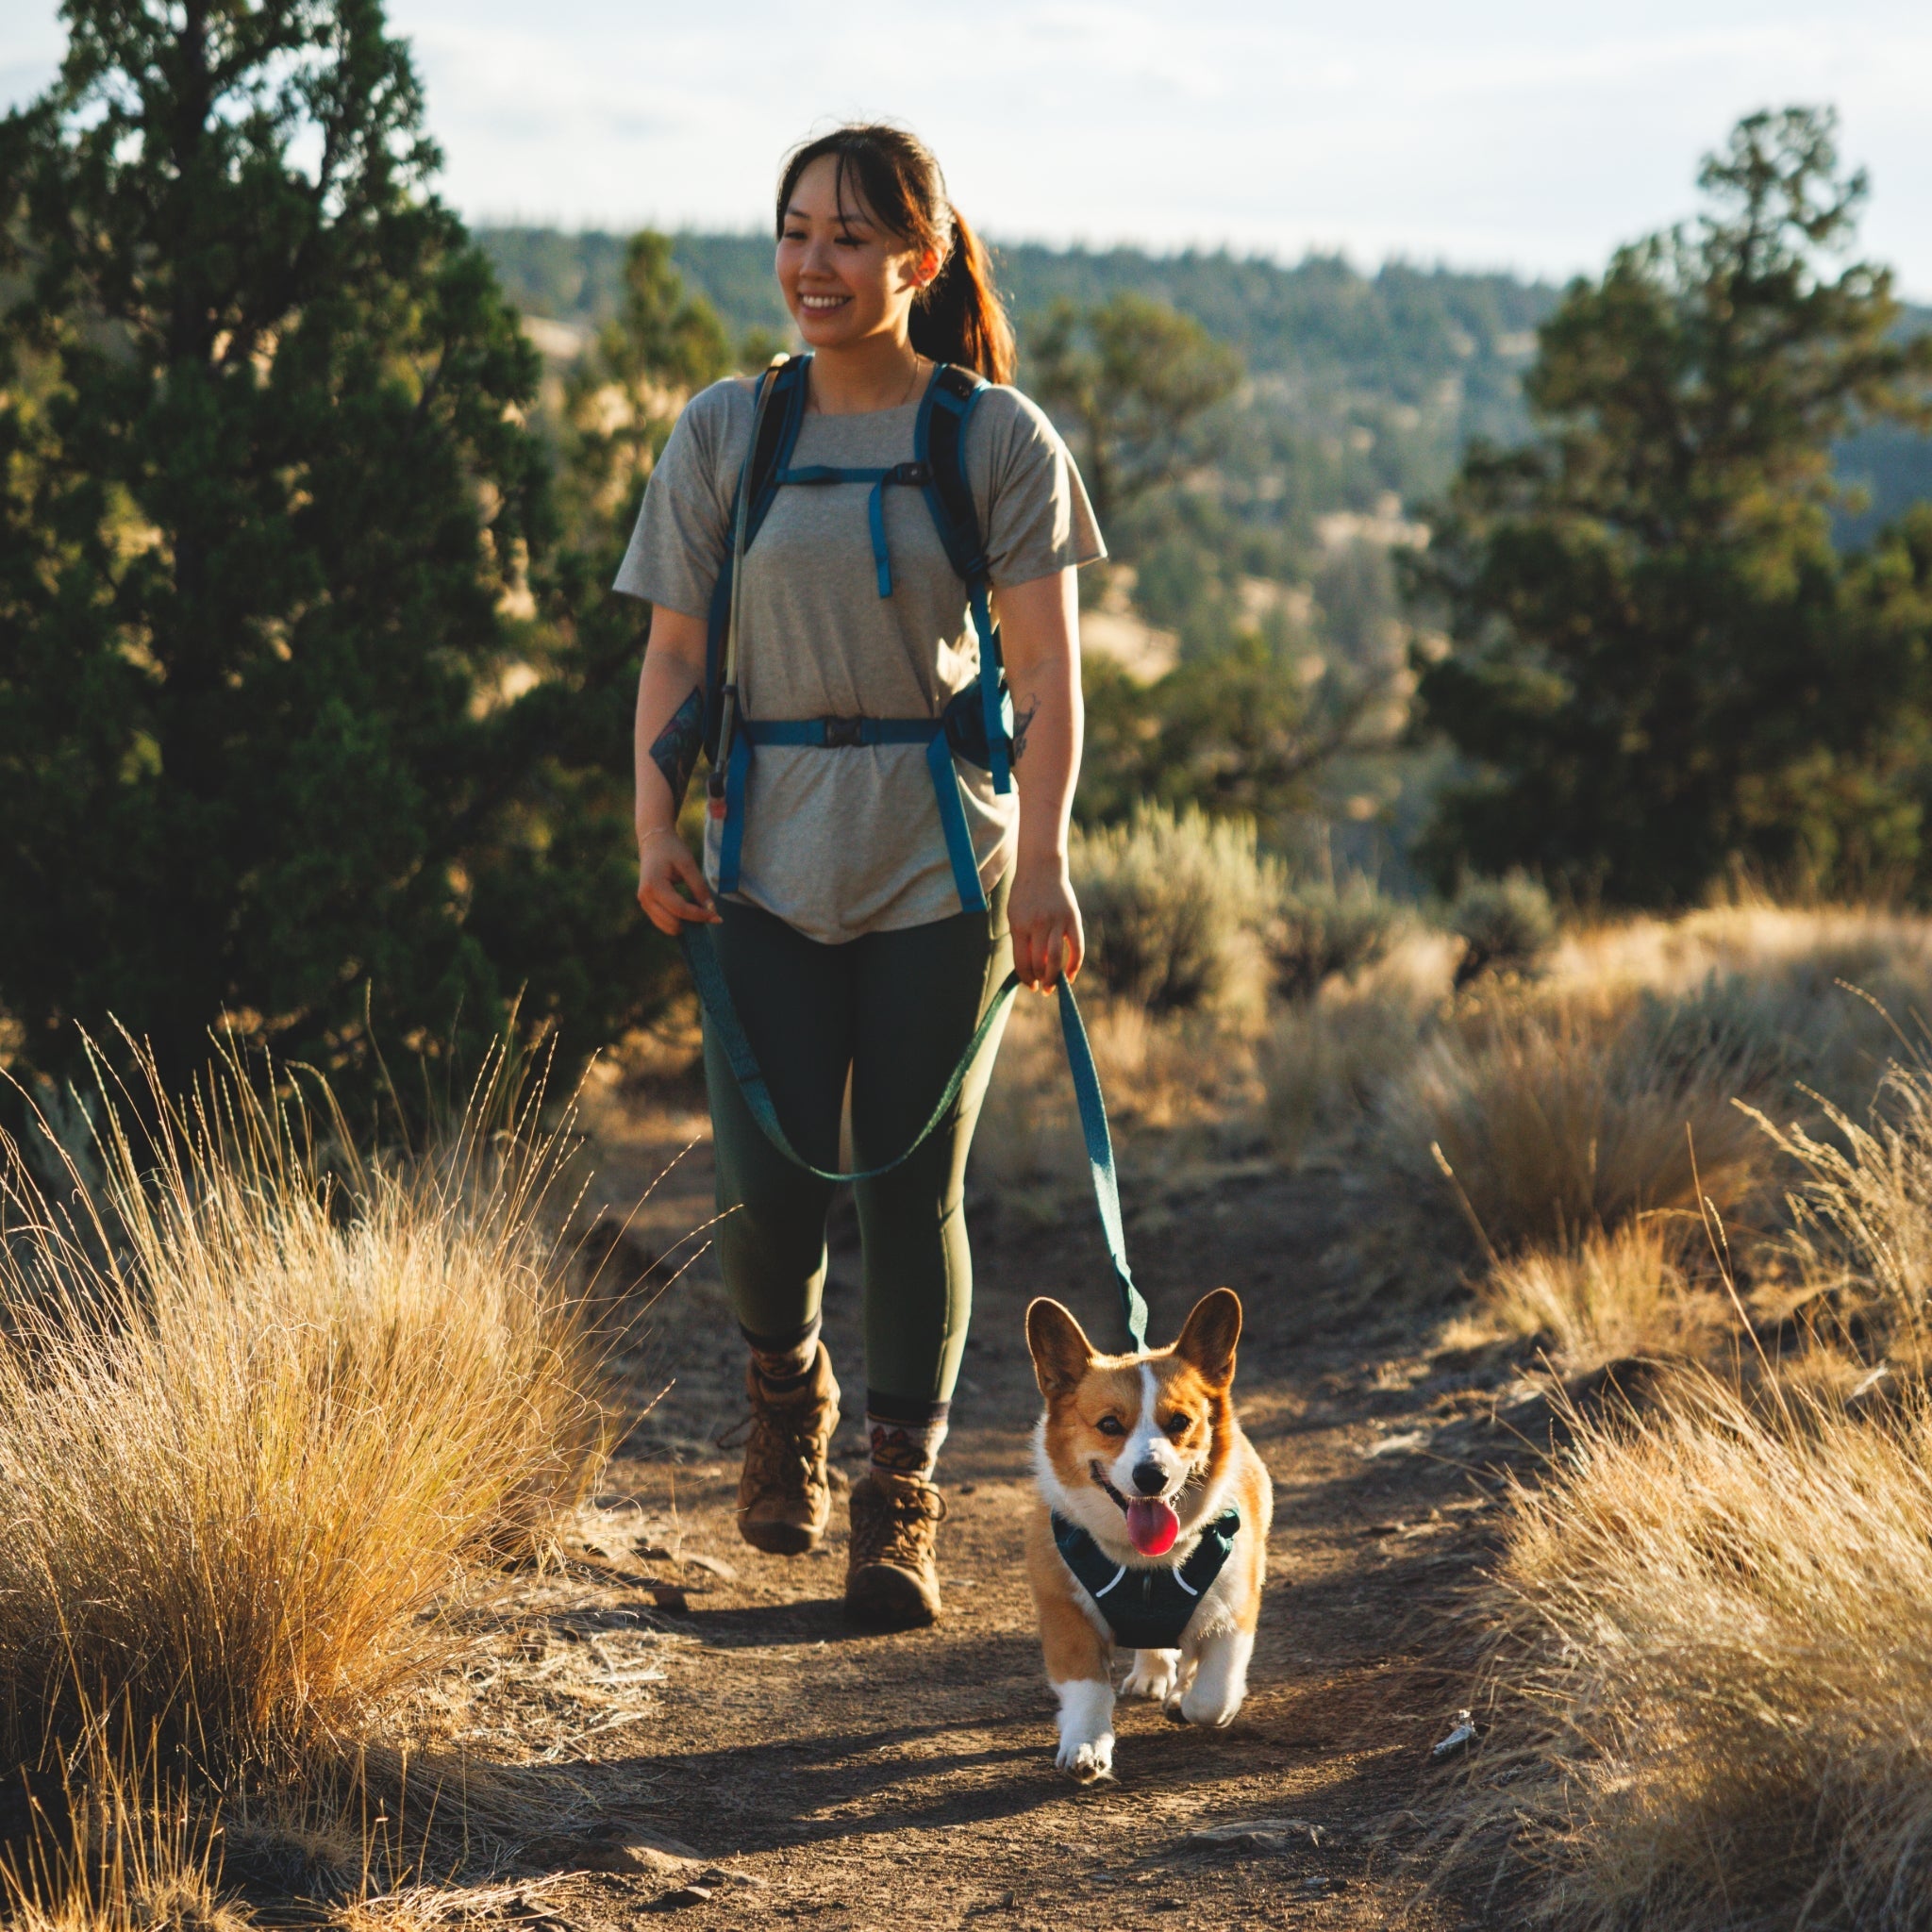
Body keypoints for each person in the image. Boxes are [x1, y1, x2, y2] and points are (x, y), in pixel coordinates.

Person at [620, 122, 1103, 1630]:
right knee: (765, 1198)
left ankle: (899, 1496)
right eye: (794, 230)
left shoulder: (994, 438)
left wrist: (1049, 866)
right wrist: (654, 827)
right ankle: (788, 1391)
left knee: (910, 1183)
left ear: (921, 257)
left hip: (942, 864)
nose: (812, 264)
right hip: (763, 857)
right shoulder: (727, 432)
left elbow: (1045, 671)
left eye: (847, 237)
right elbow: (679, 652)